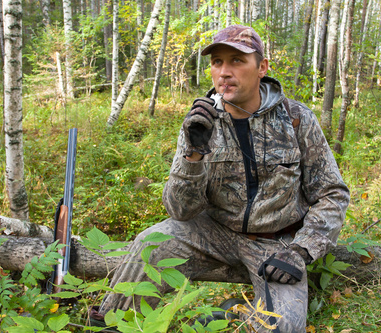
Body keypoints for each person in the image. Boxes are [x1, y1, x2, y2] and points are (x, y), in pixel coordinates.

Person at [94, 24, 350, 332]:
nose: (224, 72)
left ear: (262, 68)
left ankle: (233, 315)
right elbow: (180, 211)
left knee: (282, 327)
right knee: (152, 241)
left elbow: (332, 194)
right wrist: (194, 154)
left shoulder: (296, 119)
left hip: (276, 241)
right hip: (213, 232)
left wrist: (301, 250)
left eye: (237, 61)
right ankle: (110, 324)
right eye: (217, 62)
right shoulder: (200, 122)